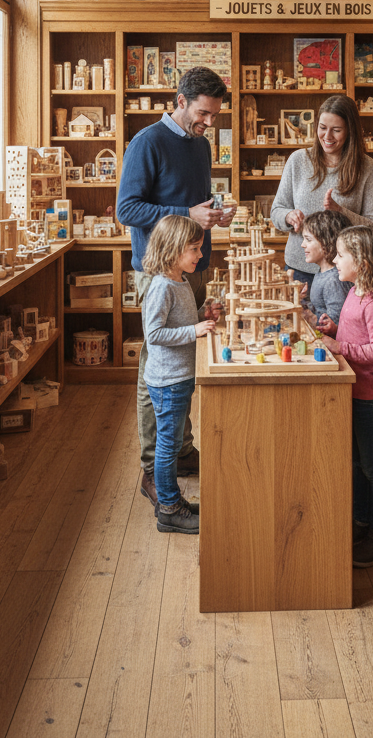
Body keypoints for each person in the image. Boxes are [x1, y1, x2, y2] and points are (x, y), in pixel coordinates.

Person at [116, 66, 235, 508]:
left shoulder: (200, 145)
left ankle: (180, 452)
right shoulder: (146, 142)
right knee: (159, 368)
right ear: (180, 100)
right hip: (160, 271)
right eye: (204, 113)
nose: (209, 123)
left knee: (186, 359)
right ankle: (153, 468)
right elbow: (126, 208)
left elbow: (195, 206)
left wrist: (213, 214)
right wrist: (187, 212)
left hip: (193, 265)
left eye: (215, 115)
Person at [319, 224, 373, 568]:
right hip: (355, 393)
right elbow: (355, 334)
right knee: (357, 464)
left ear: (363, 263)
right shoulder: (354, 292)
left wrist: (342, 346)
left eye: (341, 255)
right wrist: (335, 329)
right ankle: (362, 523)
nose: (335, 260)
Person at [141, 215, 220, 534]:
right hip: (167, 380)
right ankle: (170, 509)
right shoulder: (161, 286)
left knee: (171, 444)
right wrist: (195, 329)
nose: (200, 255)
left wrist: (203, 315)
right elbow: (155, 334)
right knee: (168, 447)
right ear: (173, 249)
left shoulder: (181, 280)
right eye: (194, 249)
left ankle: (174, 501)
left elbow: (181, 321)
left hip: (179, 378)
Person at [270, 94, 373, 289]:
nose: (327, 137)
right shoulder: (298, 160)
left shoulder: (367, 167)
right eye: (322, 128)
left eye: (336, 130)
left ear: (350, 131)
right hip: (299, 269)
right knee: (300, 320)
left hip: (345, 274)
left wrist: (341, 212)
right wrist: (289, 216)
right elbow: (276, 211)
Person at [299, 209, 352, 333]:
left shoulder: (333, 280)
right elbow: (319, 309)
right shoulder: (322, 273)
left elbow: (335, 323)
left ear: (326, 242)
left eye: (308, 239)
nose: (302, 244)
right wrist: (303, 301)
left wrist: (309, 316)